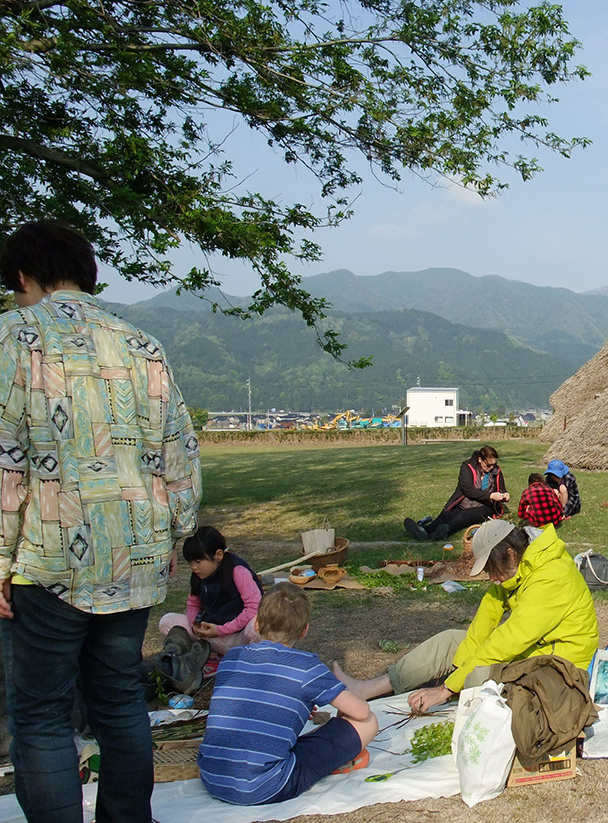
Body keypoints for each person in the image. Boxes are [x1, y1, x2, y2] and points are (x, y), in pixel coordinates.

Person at [0, 221, 202, 823]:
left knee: (40, 713)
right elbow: (181, 456)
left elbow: (5, 458)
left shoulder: (14, 336)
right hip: (133, 555)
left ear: (22, 276)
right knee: (117, 702)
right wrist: (173, 535)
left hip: (48, 556)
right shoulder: (142, 345)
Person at [334, 518, 599, 714]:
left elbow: (510, 640)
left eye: (491, 569)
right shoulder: (520, 566)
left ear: (509, 554)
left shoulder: (552, 577)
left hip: (559, 667)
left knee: (478, 673)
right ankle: (369, 689)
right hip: (530, 653)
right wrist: (459, 665)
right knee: (451, 641)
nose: (490, 577)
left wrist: (446, 688)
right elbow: (487, 616)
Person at [198, 584, 378, 805]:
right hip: (264, 785)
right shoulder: (306, 667)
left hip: (212, 775)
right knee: (368, 722)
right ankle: (341, 758)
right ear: (304, 630)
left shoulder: (231, 658)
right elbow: (360, 712)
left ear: (256, 623)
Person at [159, 525, 263, 666]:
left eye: (198, 562)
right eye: (190, 562)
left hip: (238, 636)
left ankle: (234, 655)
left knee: (258, 625)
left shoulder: (237, 570)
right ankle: (214, 653)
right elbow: (193, 603)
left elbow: (254, 607)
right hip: (211, 635)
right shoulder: (198, 575)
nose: (194, 567)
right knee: (166, 621)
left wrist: (221, 630)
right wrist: (194, 624)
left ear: (218, 555)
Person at [405, 445, 508, 541]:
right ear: (480, 459)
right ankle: (425, 530)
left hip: (485, 506)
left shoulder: (496, 471)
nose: (491, 468)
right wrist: (490, 495)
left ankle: (445, 532)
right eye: (488, 465)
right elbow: (467, 489)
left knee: (463, 517)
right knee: (447, 515)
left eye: (493, 464)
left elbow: (502, 489)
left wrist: (504, 495)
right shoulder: (467, 466)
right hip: (465, 501)